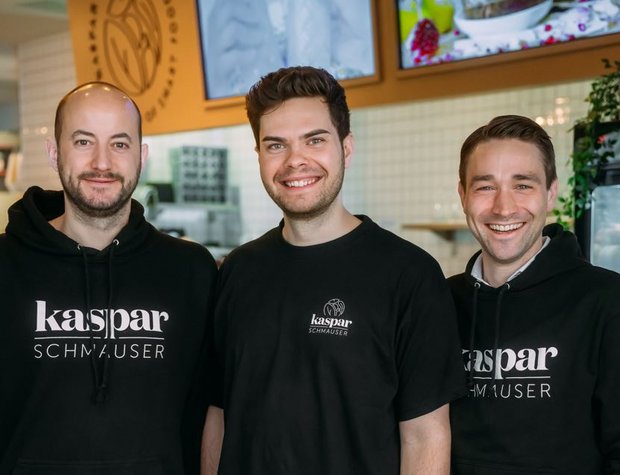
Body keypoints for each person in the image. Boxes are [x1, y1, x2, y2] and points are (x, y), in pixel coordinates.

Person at [201, 66, 466, 474]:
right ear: (259, 155)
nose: (295, 161)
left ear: (346, 147)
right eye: (276, 145)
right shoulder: (238, 271)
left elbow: (426, 435)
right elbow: (220, 412)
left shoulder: (408, 275)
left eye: (315, 140)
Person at [0, 82, 218, 474]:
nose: (102, 162)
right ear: (54, 152)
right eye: (83, 142)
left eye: (119, 144)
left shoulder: (191, 272)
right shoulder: (5, 264)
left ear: (141, 155)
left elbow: (212, 408)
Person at [449, 114, 620, 474]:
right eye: (485, 186)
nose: (504, 207)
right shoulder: (436, 302)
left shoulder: (606, 301)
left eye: (522, 185)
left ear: (551, 192)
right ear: (463, 195)